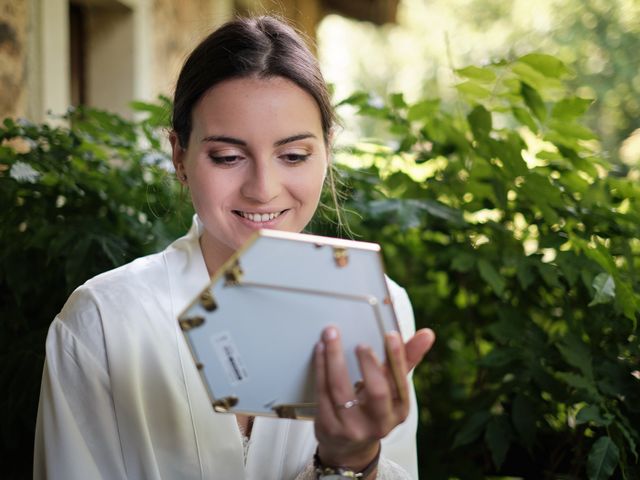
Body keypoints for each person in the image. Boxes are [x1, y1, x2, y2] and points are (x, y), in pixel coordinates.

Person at [34, 15, 435, 480]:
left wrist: (351, 459)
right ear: (179, 156)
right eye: (228, 157)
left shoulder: (378, 308)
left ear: (327, 149)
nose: (263, 189)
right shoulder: (101, 322)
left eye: (293, 155)